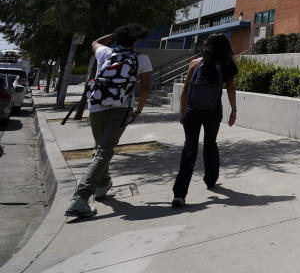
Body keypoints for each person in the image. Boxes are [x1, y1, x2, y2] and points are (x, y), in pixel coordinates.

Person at [65, 24, 152, 218]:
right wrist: (138, 109)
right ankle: (80, 197)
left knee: (101, 149)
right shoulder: (142, 59)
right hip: (121, 109)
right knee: (104, 151)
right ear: (136, 40)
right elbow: (145, 88)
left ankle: (103, 183)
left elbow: (95, 42)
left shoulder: (105, 52)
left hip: (96, 107)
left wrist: (113, 35)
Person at [172, 33, 238, 207]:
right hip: (213, 111)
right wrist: (234, 110)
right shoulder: (226, 65)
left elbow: (186, 90)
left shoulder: (195, 63)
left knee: (189, 148)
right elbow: (231, 88)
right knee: (211, 143)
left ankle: (179, 194)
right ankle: (210, 179)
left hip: (192, 111)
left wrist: (182, 112)